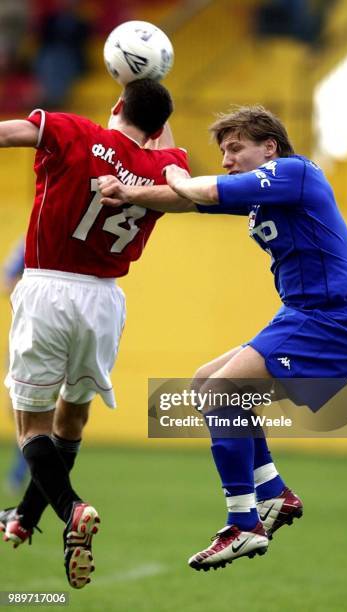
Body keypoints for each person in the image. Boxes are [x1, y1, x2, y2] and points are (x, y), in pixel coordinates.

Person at [98, 105, 347, 570]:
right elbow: (188, 199)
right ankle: (273, 493)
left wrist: (163, 169)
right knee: (205, 381)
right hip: (302, 317)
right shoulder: (266, 195)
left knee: (223, 391)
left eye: (234, 148)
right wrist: (136, 186)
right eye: (222, 151)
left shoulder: (294, 171)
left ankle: (244, 524)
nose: (226, 159)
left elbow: (201, 187)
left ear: (268, 147)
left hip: (332, 323)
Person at [0, 77, 189, 588]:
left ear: (115, 104)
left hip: (49, 287)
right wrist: (154, 118)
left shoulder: (75, 131)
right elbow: (178, 176)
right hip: (105, 300)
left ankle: (71, 508)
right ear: (157, 127)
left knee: (31, 428)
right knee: (71, 420)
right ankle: (24, 517)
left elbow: (10, 133)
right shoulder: (163, 168)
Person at [1, 239, 29, 494]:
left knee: (51, 411)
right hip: (23, 337)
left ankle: (24, 474)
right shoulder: (27, 244)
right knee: (20, 410)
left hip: (59, 335)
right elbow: (6, 283)